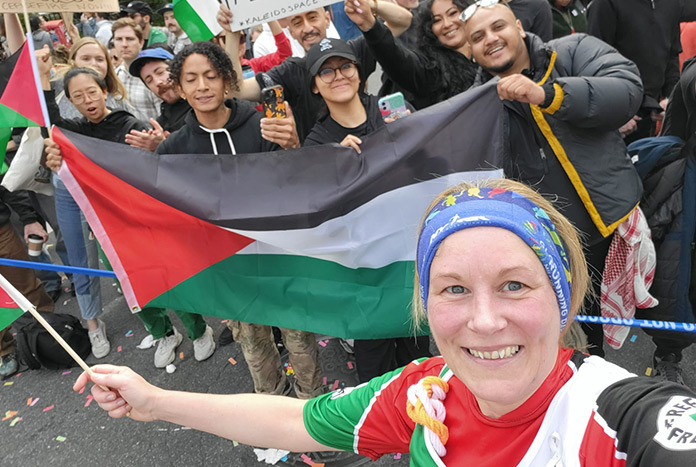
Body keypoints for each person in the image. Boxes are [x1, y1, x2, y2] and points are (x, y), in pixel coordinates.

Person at [75, 179, 696, 465]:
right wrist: (154, 402)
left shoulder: (621, 419)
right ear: (426, 307)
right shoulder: (424, 391)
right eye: (454, 289)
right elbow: (296, 420)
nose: (483, 320)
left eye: (515, 285)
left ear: (562, 302)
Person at [462, 1, 643, 356]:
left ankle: (665, 361)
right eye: (478, 37)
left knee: (652, 308)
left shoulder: (573, 51)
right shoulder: (474, 108)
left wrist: (549, 95)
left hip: (611, 225)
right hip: (547, 246)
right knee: (580, 339)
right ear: (470, 52)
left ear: (517, 25)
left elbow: (626, 89)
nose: (491, 39)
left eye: (498, 27)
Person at [303, 38, 428, 382]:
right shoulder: (317, 142)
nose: (337, 75)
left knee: (418, 355)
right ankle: (382, 429)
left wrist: (408, 133)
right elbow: (316, 211)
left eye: (345, 66)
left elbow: (430, 164)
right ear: (314, 86)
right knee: (375, 368)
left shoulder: (392, 110)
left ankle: (423, 425)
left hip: (407, 256)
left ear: (359, 72)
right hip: (362, 270)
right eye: (325, 71)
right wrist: (334, 165)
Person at [217, 4, 412, 143]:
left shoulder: (354, 49)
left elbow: (403, 21)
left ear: (327, 18)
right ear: (290, 31)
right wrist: (232, 34)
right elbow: (238, 90)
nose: (308, 28)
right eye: (298, 22)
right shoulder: (290, 71)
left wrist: (370, 4)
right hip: (322, 163)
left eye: (312, 17)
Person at [346, 0, 476, 110]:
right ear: (429, 29)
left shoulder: (485, 53)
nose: (447, 24)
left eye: (453, 13)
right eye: (437, 20)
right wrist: (369, 24)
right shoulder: (430, 68)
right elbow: (396, 59)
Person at [588, 0, 683, 142]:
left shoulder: (673, 4)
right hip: (615, 115)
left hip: (650, 113)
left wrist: (671, 98)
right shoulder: (605, 3)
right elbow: (595, 61)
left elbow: (672, 54)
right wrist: (613, 113)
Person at [0, 188, 54, 377]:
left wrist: (29, 218)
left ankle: (48, 331)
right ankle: (4, 350)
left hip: (1, 233)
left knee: (25, 285)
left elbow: (7, 184)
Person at [125, 48, 190, 151]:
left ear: (177, 68)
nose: (157, 82)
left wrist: (165, 146)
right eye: (149, 80)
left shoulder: (202, 104)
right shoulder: (161, 122)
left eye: (160, 72)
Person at [112, 17, 162, 121]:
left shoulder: (154, 75)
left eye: (130, 39)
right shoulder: (115, 76)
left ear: (141, 42)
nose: (124, 44)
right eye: (119, 39)